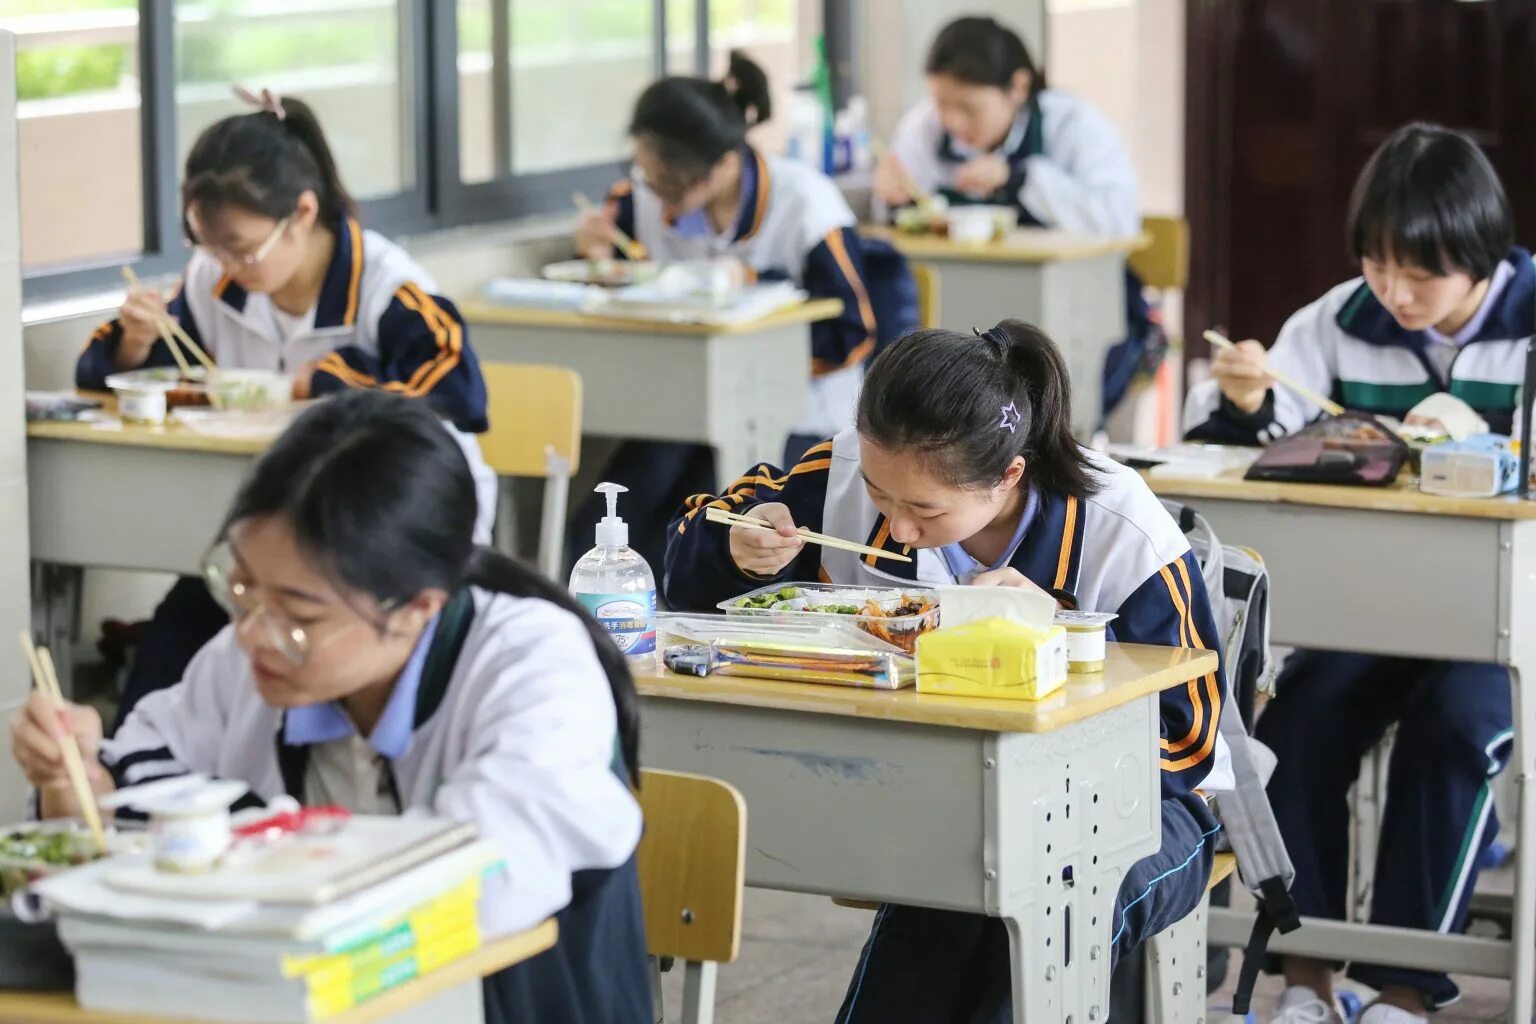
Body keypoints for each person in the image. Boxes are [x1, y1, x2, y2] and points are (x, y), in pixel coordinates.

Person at [11, 391, 650, 1023]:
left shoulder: (532, 666)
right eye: (241, 586)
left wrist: (252, 850)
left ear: (417, 609)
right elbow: (149, 769)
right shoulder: (257, 651)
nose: (254, 630)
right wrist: (86, 788)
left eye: (300, 611)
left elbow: (482, 882)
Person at [666, 320, 1231, 1023]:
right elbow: (693, 550)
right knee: (954, 883)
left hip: (1149, 809)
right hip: (950, 795)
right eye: (880, 496)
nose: (897, 527)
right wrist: (737, 549)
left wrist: (1055, 641)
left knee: (1044, 896)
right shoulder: (843, 470)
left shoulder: (1122, 531)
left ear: (1010, 475)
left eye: (923, 508)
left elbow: (1186, 736)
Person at [1185, 123, 1525, 1023]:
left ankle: (1408, 988)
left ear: (1481, 255)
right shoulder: (1335, 322)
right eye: (1379, 266)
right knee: (1298, 723)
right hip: (1371, 613)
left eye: (1422, 274)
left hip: (1505, 625)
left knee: (1453, 730)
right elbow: (1240, 450)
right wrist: (1245, 401)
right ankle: (1310, 978)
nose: (1397, 293)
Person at [78, 88, 495, 725]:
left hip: (390, 534)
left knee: (287, 642)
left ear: (302, 213)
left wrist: (322, 383)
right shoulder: (214, 281)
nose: (225, 265)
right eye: (206, 246)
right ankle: (133, 779)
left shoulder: (390, 288)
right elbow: (133, 378)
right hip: (271, 532)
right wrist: (135, 341)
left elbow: (458, 395)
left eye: (241, 248)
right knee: (181, 632)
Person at [569, 53, 880, 575]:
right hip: (679, 406)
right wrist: (594, 253)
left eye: (671, 186)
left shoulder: (806, 206)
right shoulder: (639, 198)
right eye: (648, 179)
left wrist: (751, 332)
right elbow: (621, 272)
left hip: (797, 407)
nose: (660, 204)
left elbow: (852, 331)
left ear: (721, 164)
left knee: (725, 518)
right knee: (620, 511)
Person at [872, 15, 1156, 424]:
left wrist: (1021, 177)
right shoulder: (926, 129)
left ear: (1018, 87)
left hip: (1072, 315)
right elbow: (901, 215)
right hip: (966, 317)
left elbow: (1117, 221)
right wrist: (893, 197)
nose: (953, 121)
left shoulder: (1073, 126)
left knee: (1049, 415)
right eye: (943, 105)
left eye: (968, 108)